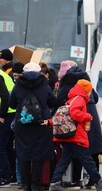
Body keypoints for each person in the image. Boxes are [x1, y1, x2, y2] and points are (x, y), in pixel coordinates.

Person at [48, 79, 102, 191]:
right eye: (89, 90)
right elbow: (75, 113)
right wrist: (87, 116)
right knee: (88, 160)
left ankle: (54, 183)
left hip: (70, 136)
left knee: (64, 161)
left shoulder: (73, 98)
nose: (90, 93)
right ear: (86, 90)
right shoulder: (80, 99)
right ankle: (99, 182)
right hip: (76, 136)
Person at [56, 63, 102, 189]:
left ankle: (76, 179)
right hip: (89, 121)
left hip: (74, 125)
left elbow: (62, 103)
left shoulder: (68, 86)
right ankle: (95, 181)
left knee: (74, 155)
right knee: (91, 152)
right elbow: (95, 98)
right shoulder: (85, 86)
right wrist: (88, 116)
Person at [9, 63, 57, 191]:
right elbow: (52, 102)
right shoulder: (44, 84)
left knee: (24, 153)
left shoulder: (18, 85)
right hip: (41, 124)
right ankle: (36, 184)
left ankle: (25, 184)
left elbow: (12, 104)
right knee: (38, 155)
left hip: (22, 124)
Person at [0, 65, 16, 188]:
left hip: (4, 115)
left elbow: (4, 96)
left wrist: (2, 114)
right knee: (9, 147)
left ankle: (4, 178)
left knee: (2, 147)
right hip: (12, 113)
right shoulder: (5, 75)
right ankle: (13, 176)